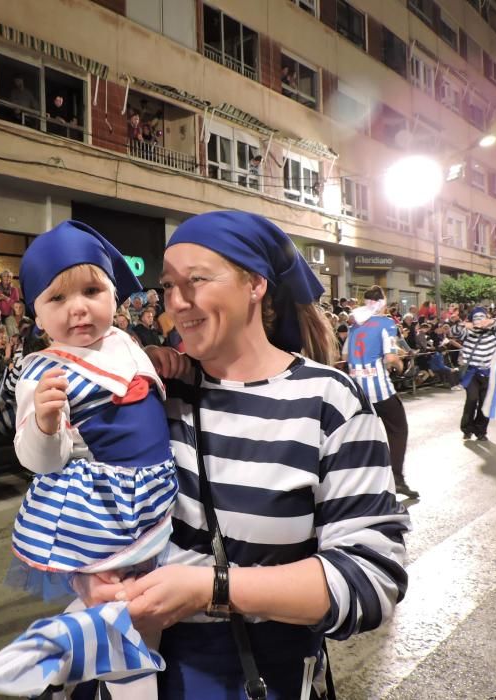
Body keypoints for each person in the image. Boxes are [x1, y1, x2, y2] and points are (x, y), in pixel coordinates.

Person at [80, 211, 409, 698]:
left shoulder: (328, 401)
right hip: (126, 673)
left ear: (254, 284)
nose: (176, 302)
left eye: (196, 281)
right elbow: (81, 508)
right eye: (169, 286)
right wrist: (91, 579)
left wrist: (210, 589)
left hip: (253, 677)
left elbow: (370, 577)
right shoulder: (155, 392)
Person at [0, 221, 177, 697]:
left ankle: (86, 666)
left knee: (144, 611)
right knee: (121, 610)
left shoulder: (126, 343)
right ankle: (82, 668)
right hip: (103, 509)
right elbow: (38, 461)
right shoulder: (41, 372)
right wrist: (45, 424)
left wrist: (163, 359)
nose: (79, 307)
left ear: (114, 296)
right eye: (57, 299)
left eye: (92, 290)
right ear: (35, 315)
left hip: (156, 495)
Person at [344, 287, 419, 499]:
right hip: (379, 390)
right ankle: (396, 479)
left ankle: (363, 485)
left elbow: (345, 354)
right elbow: (390, 358)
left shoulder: (354, 325)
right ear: (380, 303)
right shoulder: (386, 323)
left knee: (363, 437)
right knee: (398, 430)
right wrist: (400, 366)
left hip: (356, 391)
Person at [449, 306, 496, 441]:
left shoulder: (495, 332)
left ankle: (481, 431)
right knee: (472, 399)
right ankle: (467, 428)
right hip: (471, 372)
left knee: (485, 403)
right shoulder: (468, 332)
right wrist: (463, 323)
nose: (479, 322)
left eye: (482, 319)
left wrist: (492, 321)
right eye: (476, 319)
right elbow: (454, 332)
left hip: (489, 373)